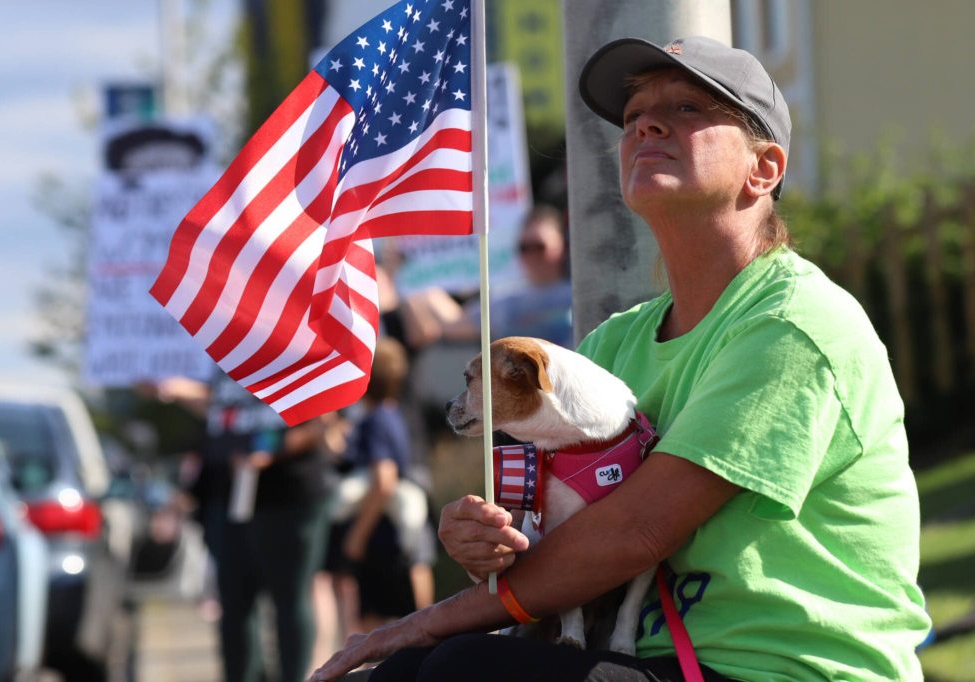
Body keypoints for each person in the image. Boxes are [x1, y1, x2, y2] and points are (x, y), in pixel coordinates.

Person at [310, 35, 931, 682]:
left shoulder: (795, 324)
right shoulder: (612, 345)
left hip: (784, 672)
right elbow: (555, 538)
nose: (646, 125)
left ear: (764, 168)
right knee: (409, 671)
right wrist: (486, 540)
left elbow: (634, 533)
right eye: (633, 117)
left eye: (688, 109)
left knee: (458, 666)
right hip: (641, 658)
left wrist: (432, 617)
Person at [169, 371, 336, 682]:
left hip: (289, 497)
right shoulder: (222, 355)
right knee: (234, 603)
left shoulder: (297, 349)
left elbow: (321, 419)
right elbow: (221, 409)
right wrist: (174, 390)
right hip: (228, 497)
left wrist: (271, 450)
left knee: (289, 599)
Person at [324, 337, 437, 636]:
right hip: (394, 538)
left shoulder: (374, 421)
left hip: (382, 540)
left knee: (378, 628)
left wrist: (356, 537)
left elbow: (384, 480)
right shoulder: (393, 414)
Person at [400, 204, 574, 349]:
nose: (531, 255)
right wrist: (410, 281)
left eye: (539, 246)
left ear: (562, 246)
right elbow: (444, 326)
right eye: (524, 247)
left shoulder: (578, 294)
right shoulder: (507, 299)